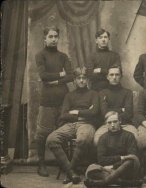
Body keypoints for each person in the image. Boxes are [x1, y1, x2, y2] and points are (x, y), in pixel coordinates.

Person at [46, 67, 99, 184]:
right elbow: (64, 115)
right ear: (74, 80)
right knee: (51, 139)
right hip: (70, 124)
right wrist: (84, 114)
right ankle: (71, 172)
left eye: (84, 78)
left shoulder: (94, 94)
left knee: (83, 139)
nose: (81, 81)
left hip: (87, 124)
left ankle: (70, 172)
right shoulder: (69, 95)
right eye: (78, 78)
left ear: (87, 80)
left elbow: (94, 112)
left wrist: (75, 112)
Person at [34, 26, 73, 177]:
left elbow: (70, 76)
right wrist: (60, 74)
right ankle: (41, 164)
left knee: (62, 130)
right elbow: (43, 76)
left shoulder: (63, 56)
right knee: (42, 133)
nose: (53, 39)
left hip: (64, 99)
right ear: (44, 38)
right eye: (50, 36)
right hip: (47, 100)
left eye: (56, 36)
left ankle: (63, 163)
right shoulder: (40, 55)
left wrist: (55, 81)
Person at [84, 111, 142, 187]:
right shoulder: (103, 138)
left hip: (125, 169)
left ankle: (102, 183)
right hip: (107, 169)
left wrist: (114, 166)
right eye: (109, 122)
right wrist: (120, 158)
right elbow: (101, 159)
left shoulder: (129, 136)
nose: (112, 125)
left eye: (115, 122)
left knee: (131, 160)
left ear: (120, 121)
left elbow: (132, 156)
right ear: (106, 124)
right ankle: (124, 183)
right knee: (91, 169)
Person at [93, 64, 138, 145]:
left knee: (136, 140)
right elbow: (104, 113)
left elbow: (129, 113)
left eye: (117, 74)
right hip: (107, 124)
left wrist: (112, 110)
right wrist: (121, 109)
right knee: (97, 141)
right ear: (107, 77)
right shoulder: (102, 93)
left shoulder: (128, 92)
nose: (114, 77)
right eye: (111, 74)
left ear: (121, 76)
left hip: (125, 124)